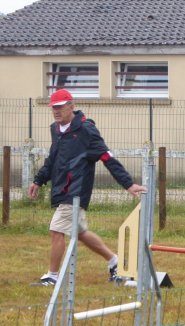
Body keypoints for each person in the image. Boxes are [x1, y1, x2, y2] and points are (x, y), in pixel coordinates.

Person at [28, 89, 146, 286]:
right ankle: (115, 262)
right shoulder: (55, 130)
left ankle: (52, 277)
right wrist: (38, 180)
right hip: (62, 190)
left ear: (71, 106)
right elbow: (53, 159)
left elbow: (107, 157)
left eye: (60, 107)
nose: (56, 112)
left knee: (56, 230)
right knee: (81, 233)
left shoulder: (86, 131)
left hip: (76, 191)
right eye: (53, 108)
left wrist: (128, 183)